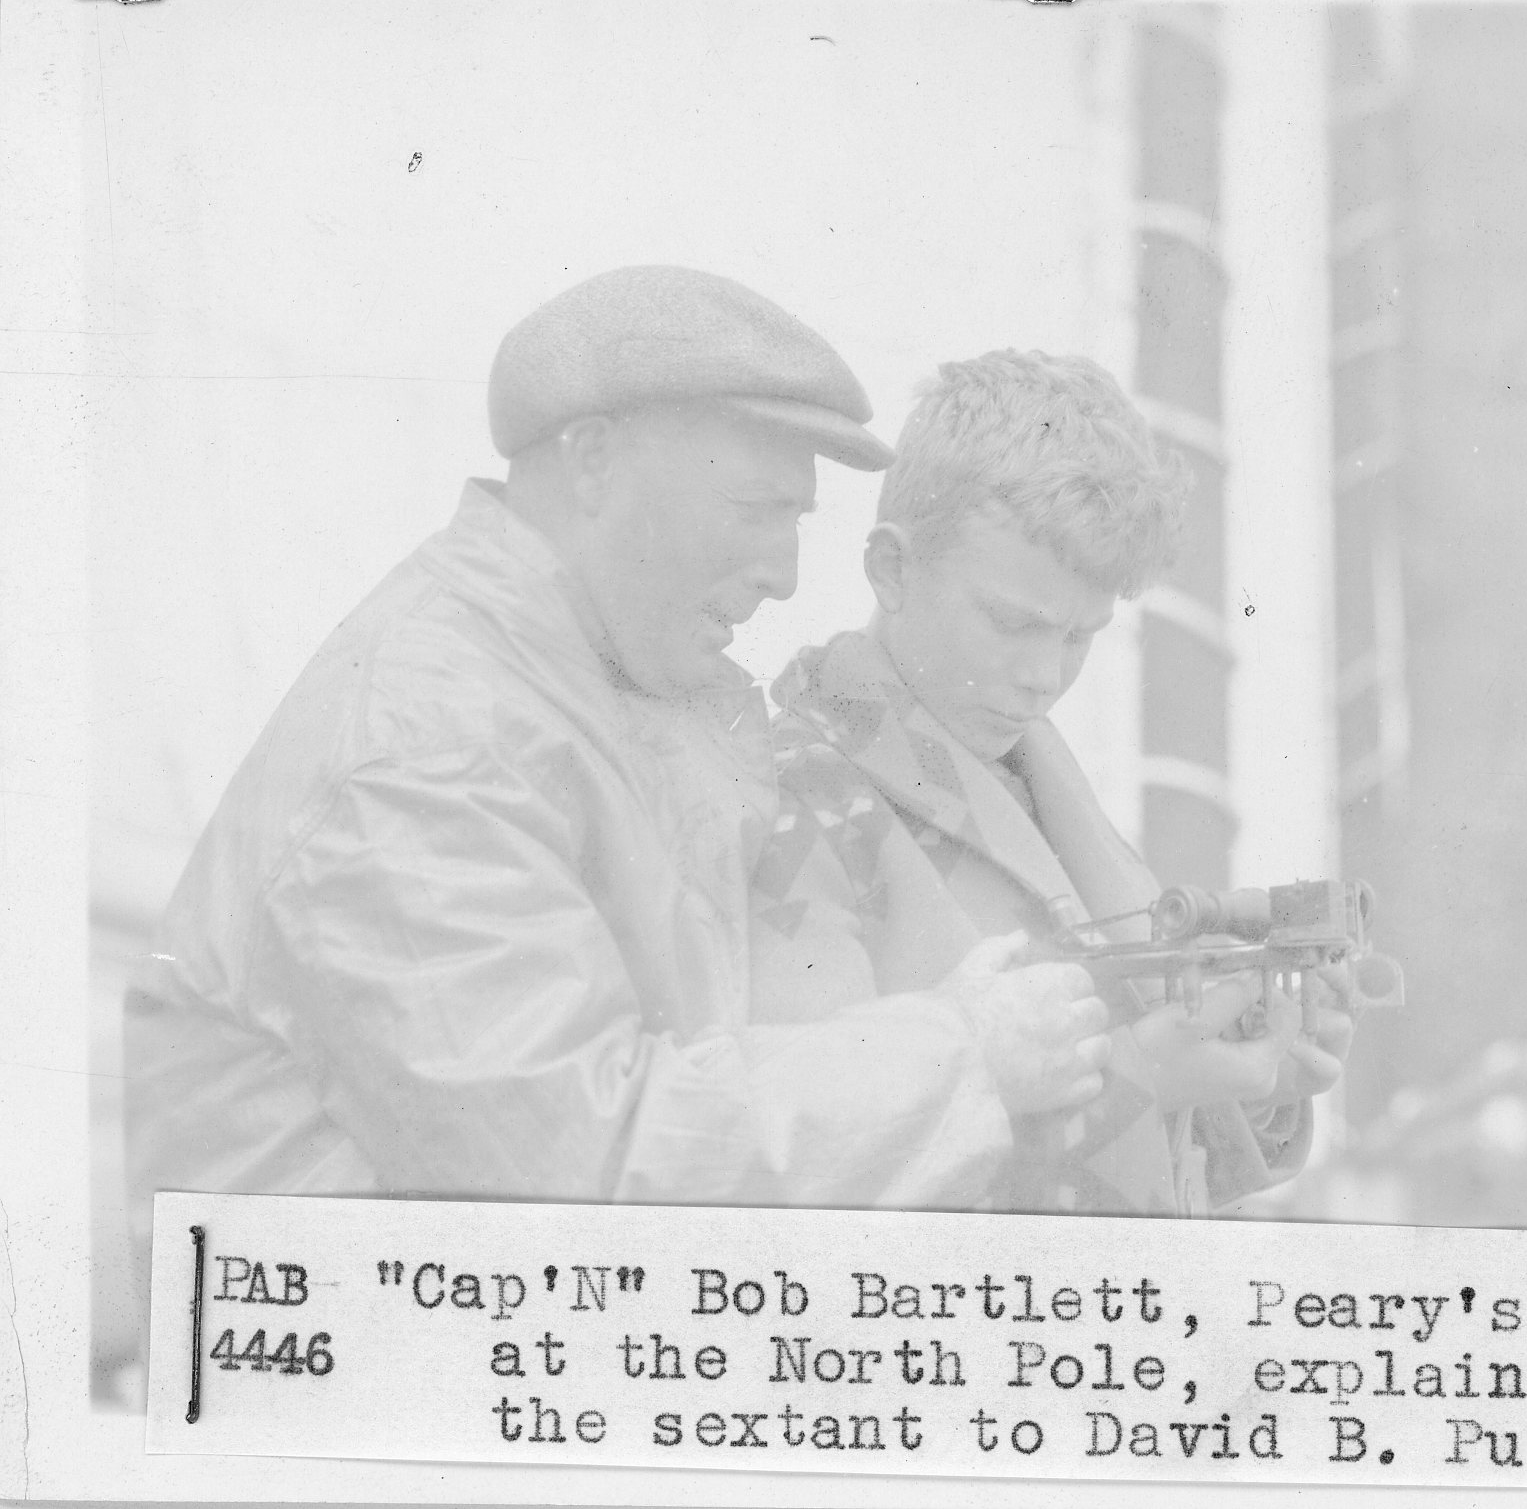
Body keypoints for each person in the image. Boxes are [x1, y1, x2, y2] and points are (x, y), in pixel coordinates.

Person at [124, 269, 1109, 1229]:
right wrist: (960, 1052)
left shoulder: (607, 688)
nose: (783, 572)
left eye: (797, 521)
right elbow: (571, 1164)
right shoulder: (427, 740)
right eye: (754, 511)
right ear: (593, 463)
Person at [749, 350, 1357, 1216]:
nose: (1045, 677)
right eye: (1013, 624)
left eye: (1081, 637)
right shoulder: (790, 800)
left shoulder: (1036, 780)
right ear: (891, 568)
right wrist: (1140, 1079)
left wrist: (1256, 1078)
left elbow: (1168, 1170)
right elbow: (819, 1179)